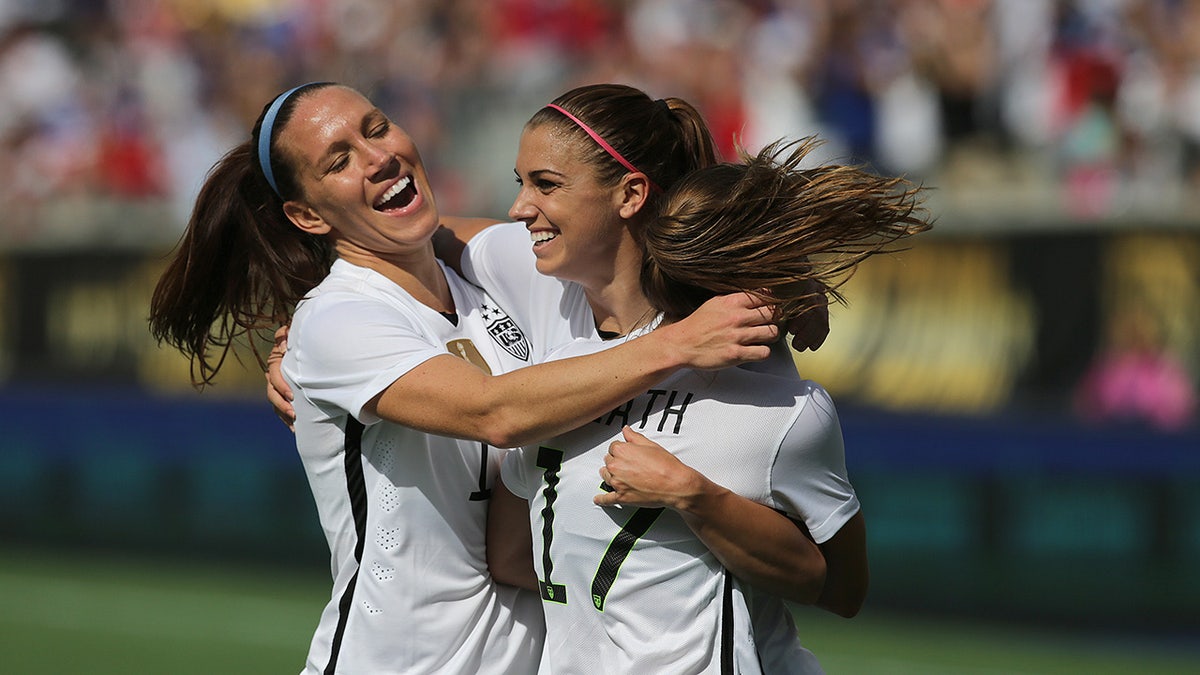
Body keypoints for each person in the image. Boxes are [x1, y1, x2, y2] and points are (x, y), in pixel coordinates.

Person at [148, 82, 812, 675]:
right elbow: (495, 412)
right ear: (309, 216)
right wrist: (677, 344)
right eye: (339, 160)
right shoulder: (338, 319)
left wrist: (787, 278)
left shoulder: (492, 275)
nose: (376, 155)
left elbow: (625, 241)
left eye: (375, 128)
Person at [457, 87, 929, 673]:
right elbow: (410, 241)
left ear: (631, 194)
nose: (519, 208)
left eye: (546, 184)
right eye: (521, 182)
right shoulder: (542, 297)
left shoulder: (769, 391)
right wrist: (308, 308)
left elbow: (840, 588)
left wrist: (692, 497)